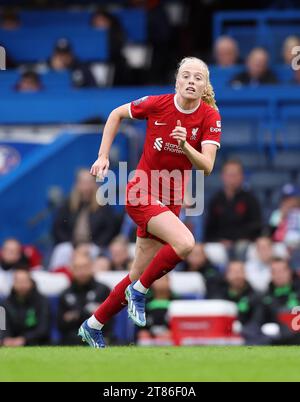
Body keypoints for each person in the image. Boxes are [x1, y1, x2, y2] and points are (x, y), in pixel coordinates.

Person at [78, 56, 222, 348]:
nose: (191, 81)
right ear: (177, 81)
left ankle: (93, 325)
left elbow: (206, 166)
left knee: (136, 272)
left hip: (172, 201)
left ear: (205, 84)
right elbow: (115, 114)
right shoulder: (158, 104)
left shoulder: (209, 117)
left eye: (198, 77)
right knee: (185, 243)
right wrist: (103, 155)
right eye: (186, 76)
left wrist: (185, 146)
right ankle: (140, 292)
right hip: (141, 191)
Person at [204, 159, 263, 257]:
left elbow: (256, 225)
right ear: (223, 176)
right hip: (220, 243)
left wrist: (237, 239)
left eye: (235, 175)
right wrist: (220, 240)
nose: (232, 178)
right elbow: (210, 228)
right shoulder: (216, 200)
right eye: (229, 175)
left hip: (244, 242)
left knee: (241, 247)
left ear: (242, 176)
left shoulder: (250, 199)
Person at [57, 252, 112, 345]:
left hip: (100, 338)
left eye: (85, 267)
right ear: (72, 270)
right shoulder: (65, 293)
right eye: (77, 268)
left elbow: (109, 321)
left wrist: (75, 315)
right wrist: (89, 313)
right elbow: (60, 324)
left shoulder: (103, 290)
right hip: (72, 341)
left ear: (91, 267)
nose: (81, 271)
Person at [52, 169, 118, 247]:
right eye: (83, 183)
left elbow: (109, 229)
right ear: (77, 184)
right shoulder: (67, 204)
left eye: (89, 183)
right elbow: (58, 228)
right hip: (71, 245)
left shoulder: (104, 205)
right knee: (62, 250)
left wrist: (95, 245)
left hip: (95, 246)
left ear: (95, 184)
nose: (86, 187)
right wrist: (72, 245)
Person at [0, 269, 50, 347]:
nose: (22, 285)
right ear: (13, 283)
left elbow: (43, 329)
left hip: (36, 344)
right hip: (10, 345)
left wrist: (24, 339)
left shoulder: (42, 301)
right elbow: (2, 327)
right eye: (19, 281)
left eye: (25, 281)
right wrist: (6, 339)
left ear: (31, 282)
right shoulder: (5, 304)